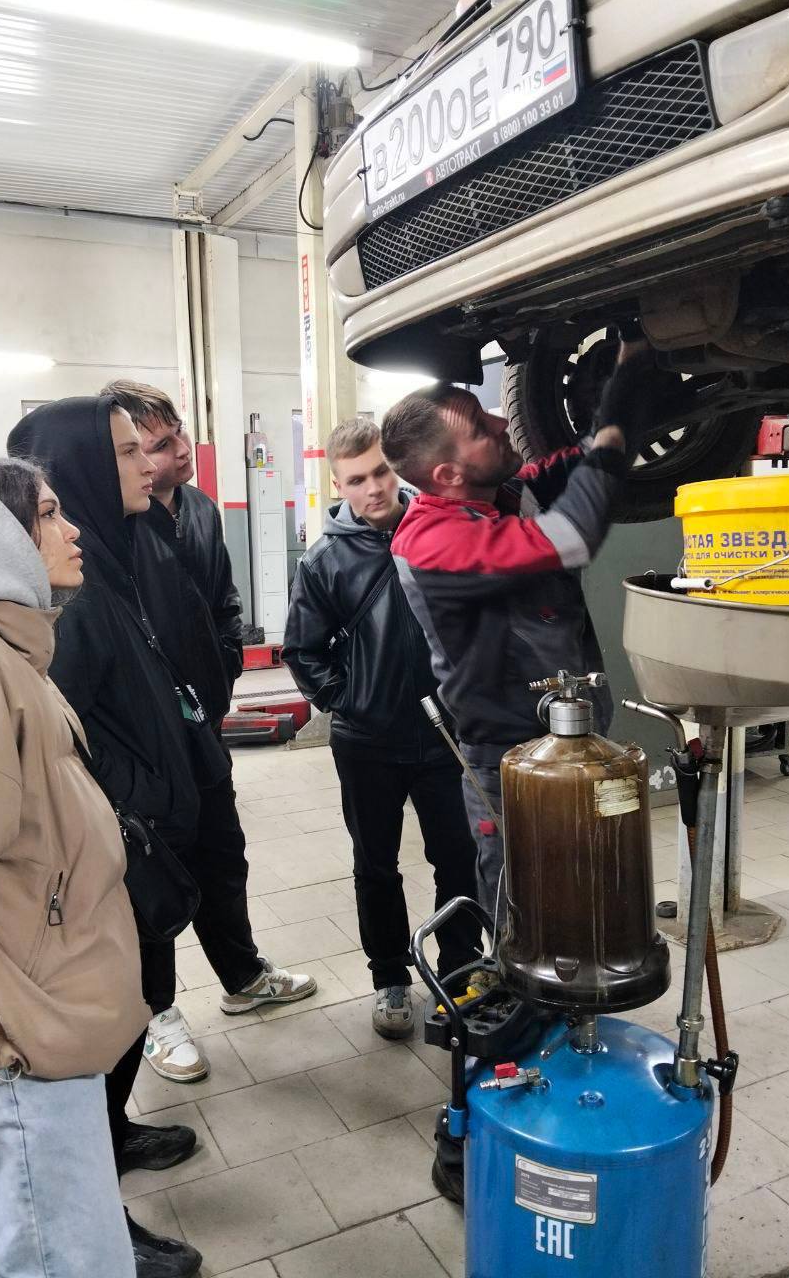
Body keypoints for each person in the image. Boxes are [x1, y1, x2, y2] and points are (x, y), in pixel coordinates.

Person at [381, 344, 659, 1202]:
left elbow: (570, 468)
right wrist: (617, 416)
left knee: (580, 917)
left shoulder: (494, 497)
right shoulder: (432, 536)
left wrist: (623, 404)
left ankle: (558, 1087)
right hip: (509, 768)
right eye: (480, 425)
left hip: (567, 752)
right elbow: (571, 536)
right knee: (522, 940)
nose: (503, 423)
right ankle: (467, 1134)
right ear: (445, 471)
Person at [0, 455, 146, 1278]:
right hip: (10, 1040)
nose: (72, 529)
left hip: (30, 1018)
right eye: (48, 513)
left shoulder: (0, 655)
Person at [8, 398, 204, 1278]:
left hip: (143, 842)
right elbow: (67, 737)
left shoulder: (116, 558)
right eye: (126, 452)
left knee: (138, 1004)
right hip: (116, 856)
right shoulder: (72, 601)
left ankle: (114, 1136)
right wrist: (140, 801)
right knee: (106, 1022)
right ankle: (99, 1224)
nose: (148, 464)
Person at [103, 379, 316, 1081]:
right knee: (155, 872)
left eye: (178, 437)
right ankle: (157, 1012)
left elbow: (223, 599)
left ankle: (243, 975)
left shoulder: (197, 508)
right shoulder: (114, 525)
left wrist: (223, 670)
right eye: (155, 445)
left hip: (204, 723)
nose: (178, 453)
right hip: (147, 739)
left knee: (223, 853)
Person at [283, 419, 482, 1039]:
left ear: (397, 466)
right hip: (367, 743)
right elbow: (302, 650)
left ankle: (461, 971)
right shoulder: (325, 560)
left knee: (458, 857)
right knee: (376, 864)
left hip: (446, 737)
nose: (373, 488)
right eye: (356, 480)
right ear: (338, 485)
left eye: (381, 472)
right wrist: (353, 701)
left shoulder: (444, 530)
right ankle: (390, 977)